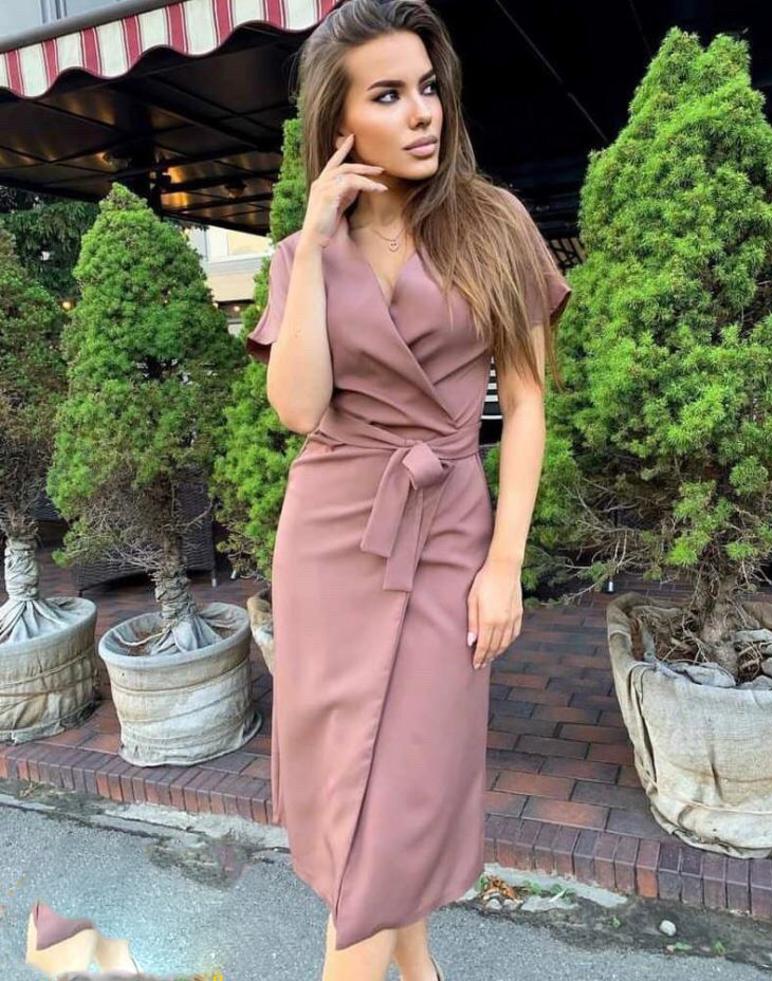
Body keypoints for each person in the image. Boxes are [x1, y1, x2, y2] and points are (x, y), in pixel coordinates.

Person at [246, 1, 572, 978]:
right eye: (388, 94)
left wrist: (506, 563)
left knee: (402, 793)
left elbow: (526, 405)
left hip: (447, 535)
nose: (422, 111)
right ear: (340, 121)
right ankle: (420, 968)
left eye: (428, 87)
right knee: (355, 789)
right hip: (331, 542)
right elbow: (299, 408)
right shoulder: (304, 254)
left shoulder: (495, 225)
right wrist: (314, 242)